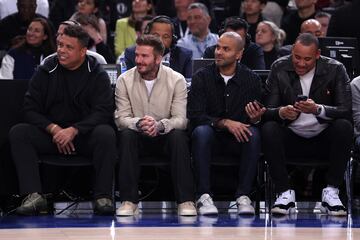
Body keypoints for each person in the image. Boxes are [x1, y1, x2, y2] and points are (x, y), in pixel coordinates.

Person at [9, 24, 117, 216]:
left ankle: (103, 196)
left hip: (84, 137)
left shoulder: (97, 72)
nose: (61, 50)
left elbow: (104, 110)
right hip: (53, 136)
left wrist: (74, 130)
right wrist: (55, 129)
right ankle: (33, 195)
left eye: (68, 47)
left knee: (106, 134)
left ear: (83, 51)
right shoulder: (46, 69)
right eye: (60, 45)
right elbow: (30, 109)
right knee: (19, 132)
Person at [260, 33, 352, 216]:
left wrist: (317, 109)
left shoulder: (335, 68)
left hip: (323, 139)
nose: (301, 64)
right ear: (292, 51)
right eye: (297, 57)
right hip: (291, 137)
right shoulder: (279, 67)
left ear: (318, 55)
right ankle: (284, 192)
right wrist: (281, 112)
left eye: (307, 59)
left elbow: (345, 110)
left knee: (344, 126)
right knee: (269, 128)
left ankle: (332, 192)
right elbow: (266, 110)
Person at [115, 34, 196, 216]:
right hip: (137, 136)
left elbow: (181, 119)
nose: (138, 60)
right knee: (126, 135)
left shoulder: (177, 80)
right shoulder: (124, 80)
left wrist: (159, 125)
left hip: (165, 137)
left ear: (159, 59)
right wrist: (140, 123)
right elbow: (121, 119)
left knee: (179, 136)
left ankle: (186, 201)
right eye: (137, 55)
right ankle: (128, 201)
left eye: (144, 56)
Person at [187, 32, 264, 215]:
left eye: (226, 49)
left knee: (253, 134)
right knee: (201, 132)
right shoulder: (201, 77)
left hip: (238, 140)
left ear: (239, 54)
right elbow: (195, 115)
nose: (219, 52)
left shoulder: (252, 80)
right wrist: (224, 122)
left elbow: (253, 118)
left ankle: (244, 196)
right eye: (218, 47)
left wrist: (255, 118)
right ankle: (204, 195)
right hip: (210, 138)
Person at [124, 16, 193, 78]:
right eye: (156, 35)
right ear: (147, 35)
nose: (160, 40)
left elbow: (188, 86)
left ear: (173, 39)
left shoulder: (184, 56)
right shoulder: (132, 53)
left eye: (166, 36)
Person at [42, 20, 107, 65]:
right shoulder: (48, 61)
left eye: (64, 34)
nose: (59, 38)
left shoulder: (97, 60)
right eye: (58, 34)